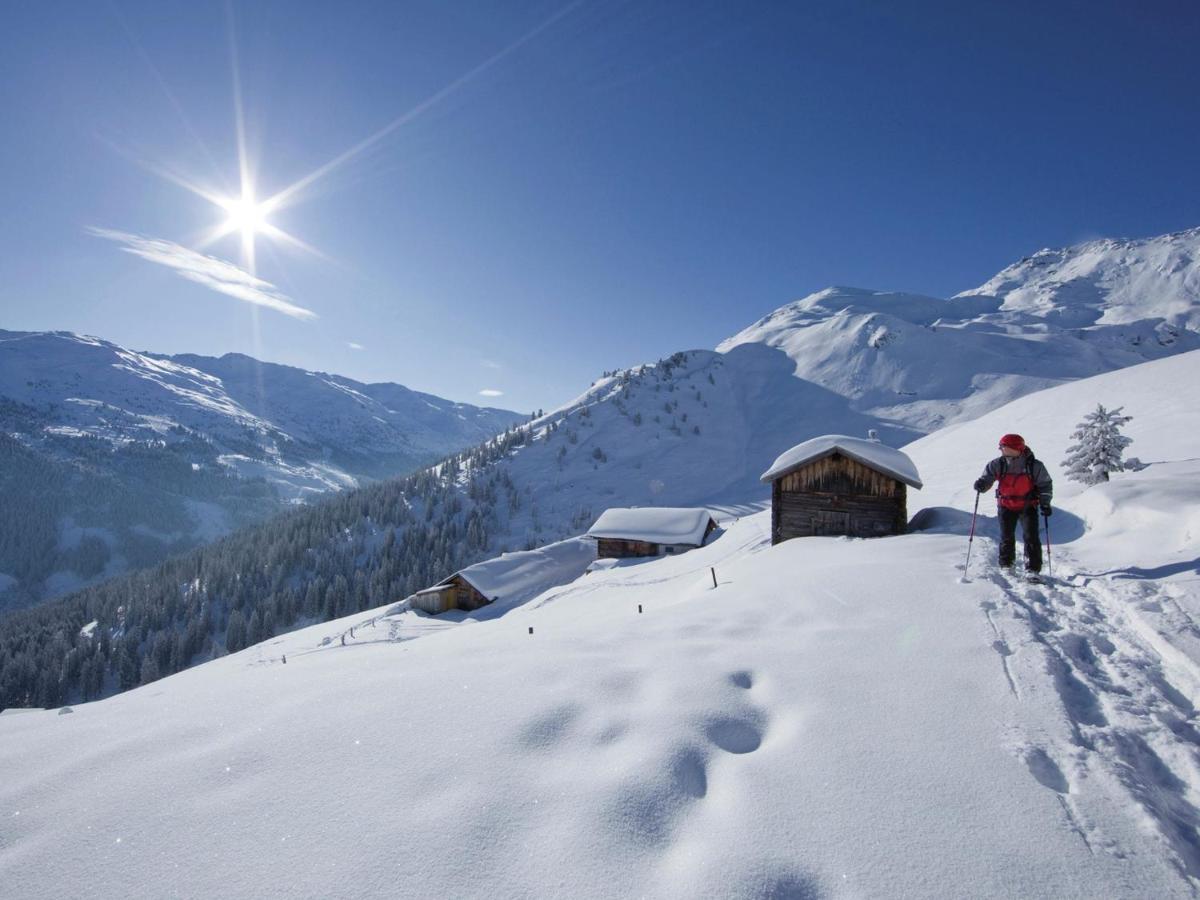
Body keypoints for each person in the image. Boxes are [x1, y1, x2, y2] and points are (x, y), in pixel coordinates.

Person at [973, 433, 1053, 574]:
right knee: (1007, 536)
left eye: (1006, 448)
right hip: (1006, 505)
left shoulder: (1034, 465)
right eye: (1002, 448)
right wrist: (982, 484)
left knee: (1031, 537)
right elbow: (988, 478)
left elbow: (1045, 484)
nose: (1003, 450)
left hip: (1028, 506)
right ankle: (1006, 564)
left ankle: (1033, 569)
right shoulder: (998, 464)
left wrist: (1045, 503)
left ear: (1017, 448)